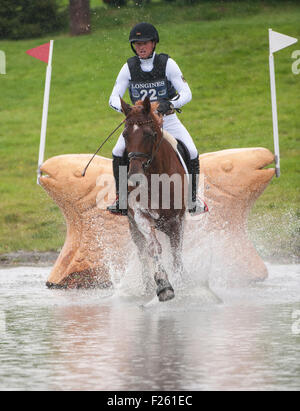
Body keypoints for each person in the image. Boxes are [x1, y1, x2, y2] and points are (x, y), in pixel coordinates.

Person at [107, 22, 204, 215]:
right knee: (118, 150)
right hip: (140, 123)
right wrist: (130, 111)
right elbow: (112, 98)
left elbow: (187, 93)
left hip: (166, 120)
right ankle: (122, 200)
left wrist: (171, 103)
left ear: (154, 43)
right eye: (137, 43)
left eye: (145, 43)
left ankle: (192, 200)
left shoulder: (167, 63)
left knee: (191, 151)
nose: (140, 47)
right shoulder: (129, 67)